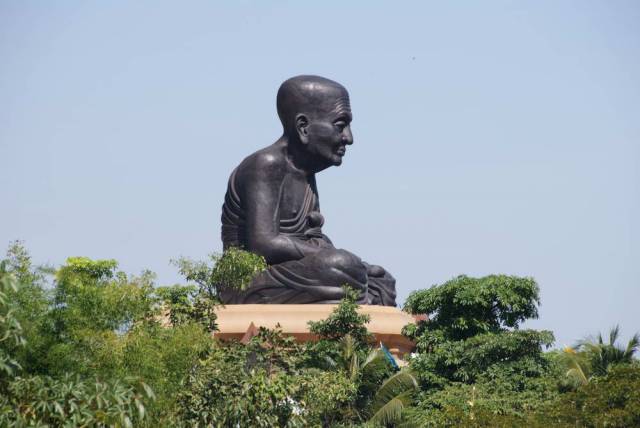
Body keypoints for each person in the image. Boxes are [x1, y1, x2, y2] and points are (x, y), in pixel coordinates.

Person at [220, 75, 396, 305]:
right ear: (303, 127)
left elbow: (311, 237)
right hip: (247, 280)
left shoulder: (305, 172)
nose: (349, 138)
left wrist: (354, 263)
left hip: (297, 270)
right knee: (341, 265)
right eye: (340, 125)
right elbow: (263, 244)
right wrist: (337, 259)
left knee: (382, 280)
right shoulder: (265, 164)